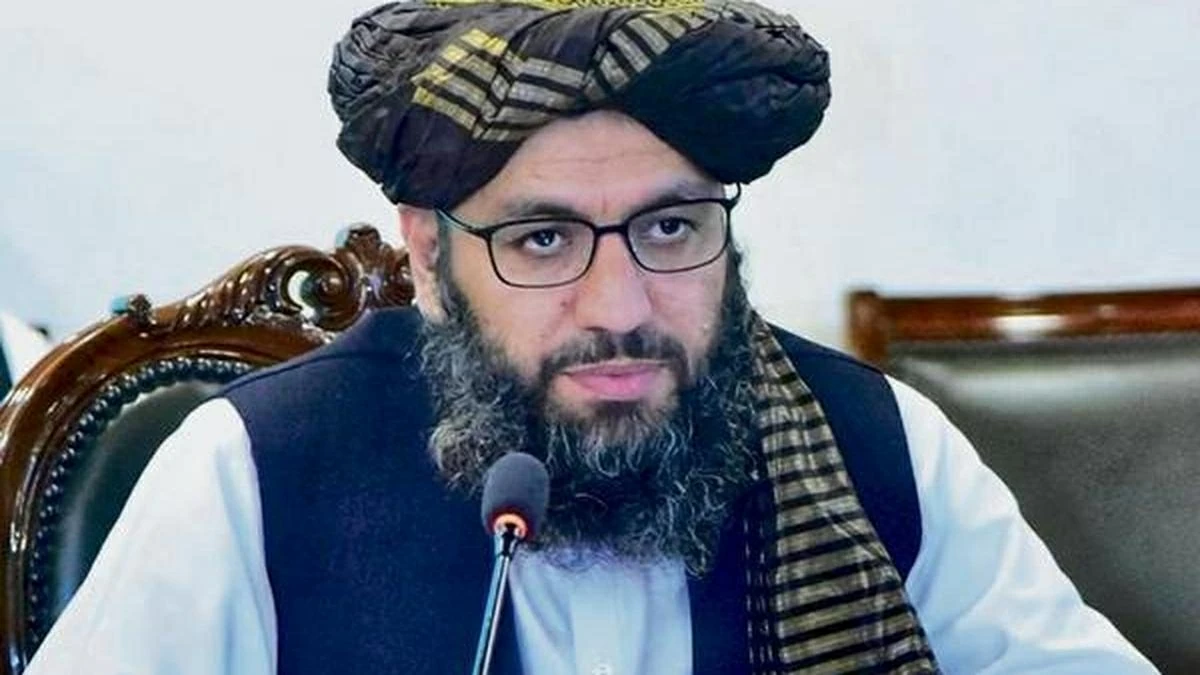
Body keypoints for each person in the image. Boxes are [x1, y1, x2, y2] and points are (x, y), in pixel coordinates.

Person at [27, 1, 1157, 673]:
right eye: (544, 239)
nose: (619, 306)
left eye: (669, 228)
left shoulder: (876, 443)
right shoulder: (252, 472)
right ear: (428, 255)